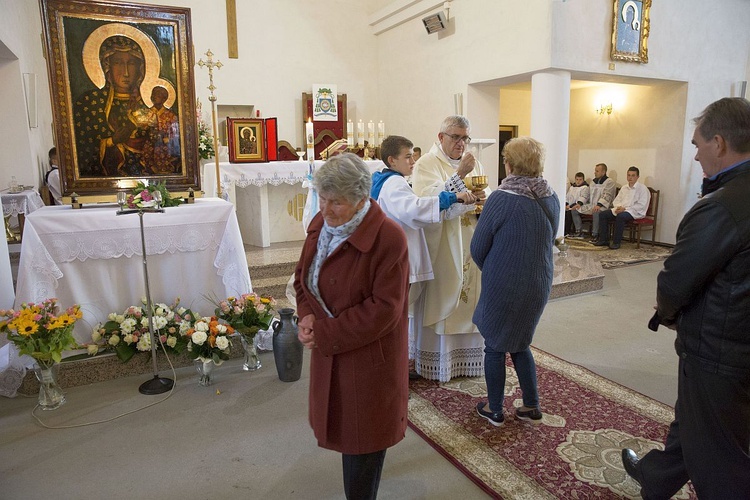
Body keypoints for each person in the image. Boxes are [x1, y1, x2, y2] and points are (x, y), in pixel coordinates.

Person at [621, 97, 750, 499]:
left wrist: (668, 312)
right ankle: (656, 477)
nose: (694, 155)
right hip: (739, 338)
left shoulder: (721, 207)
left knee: (718, 457)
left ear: (719, 143)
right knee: (696, 421)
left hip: (719, 344)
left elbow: (676, 281)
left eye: (696, 145)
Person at [294, 153, 410, 500]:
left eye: (337, 203)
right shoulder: (320, 224)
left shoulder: (389, 238)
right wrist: (306, 317)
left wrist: (325, 332)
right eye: (322, 199)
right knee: (347, 435)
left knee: (363, 444)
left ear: (362, 199)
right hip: (333, 351)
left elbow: (384, 310)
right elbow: (303, 279)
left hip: (368, 360)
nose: (327, 210)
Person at [470, 137, 559, 426]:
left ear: (509, 163)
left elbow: (478, 247)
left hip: (505, 283)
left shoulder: (502, 197)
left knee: (494, 346)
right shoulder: (551, 196)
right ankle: (532, 406)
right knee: (521, 342)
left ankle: (494, 410)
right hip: (539, 282)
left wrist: (496, 269)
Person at [371, 135, 476, 378]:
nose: (413, 161)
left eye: (413, 155)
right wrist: (451, 197)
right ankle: (393, 374)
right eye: (407, 156)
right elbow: (415, 210)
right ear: (391, 160)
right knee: (395, 322)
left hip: (395, 258)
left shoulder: (386, 180)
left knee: (397, 319)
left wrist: (454, 200)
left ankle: (394, 369)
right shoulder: (393, 184)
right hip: (399, 261)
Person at [410, 115, 489, 381]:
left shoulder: (474, 163)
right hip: (444, 242)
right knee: (446, 293)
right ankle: (439, 361)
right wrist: (461, 175)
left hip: (471, 239)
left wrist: (481, 200)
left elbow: (482, 193)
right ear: (440, 137)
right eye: (455, 137)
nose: (461, 143)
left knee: (473, 296)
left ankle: (468, 359)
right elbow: (428, 203)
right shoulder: (426, 164)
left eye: (465, 137)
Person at [73, 35, 151, 177]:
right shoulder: (91, 102)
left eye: (132, 64)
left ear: (140, 68)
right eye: (118, 63)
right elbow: (82, 147)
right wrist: (111, 141)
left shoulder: (147, 107)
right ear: (107, 66)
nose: (126, 72)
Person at [593, 166, 650, 249]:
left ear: (638, 177)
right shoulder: (624, 188)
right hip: (620, 209)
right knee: (603, 214)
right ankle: (603, 240)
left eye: (633, 175)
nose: (630, 177)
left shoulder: (643, 189)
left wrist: (625, 209)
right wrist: (619, 207)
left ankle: (616, 242)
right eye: (628, 175)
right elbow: (616, 200)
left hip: (634, 212)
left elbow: (641, 205)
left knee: (621, 216)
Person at [143, 85, 180, 174]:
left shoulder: (171, 115)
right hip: (150, 146)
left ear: (164, 99)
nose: (155, 97)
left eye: (158, 96)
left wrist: (168, 139)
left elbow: (175, 133)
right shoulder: (146, 113)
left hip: (165, 147)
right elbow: (143, 130)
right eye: (154, 95)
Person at [579, 163, 616, 241]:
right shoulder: (593, 182)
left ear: (603, 172)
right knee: (575, 209)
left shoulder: (609, 182)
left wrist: (599, 205)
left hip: (604, 207)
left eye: (597, 171)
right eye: (595, 171)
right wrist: (579, 203)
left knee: (596, 211)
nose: (594, 172)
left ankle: (595, 234)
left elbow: (607, 195)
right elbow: (587, 194)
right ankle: (578, 231)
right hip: (592, 205)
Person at [564, 171, 590, 237]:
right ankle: (565, 231)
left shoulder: (585, 187)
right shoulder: (572, 187)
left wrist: (574, 205)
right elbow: (567, 196)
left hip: (579, 205)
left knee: (570, 212)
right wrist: (566, 204)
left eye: (580, 179)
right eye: (577, 179)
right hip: (570, 205)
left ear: (583, 180)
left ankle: (570, 231)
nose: (578, 181)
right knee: (565, 212)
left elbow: (584, 197)